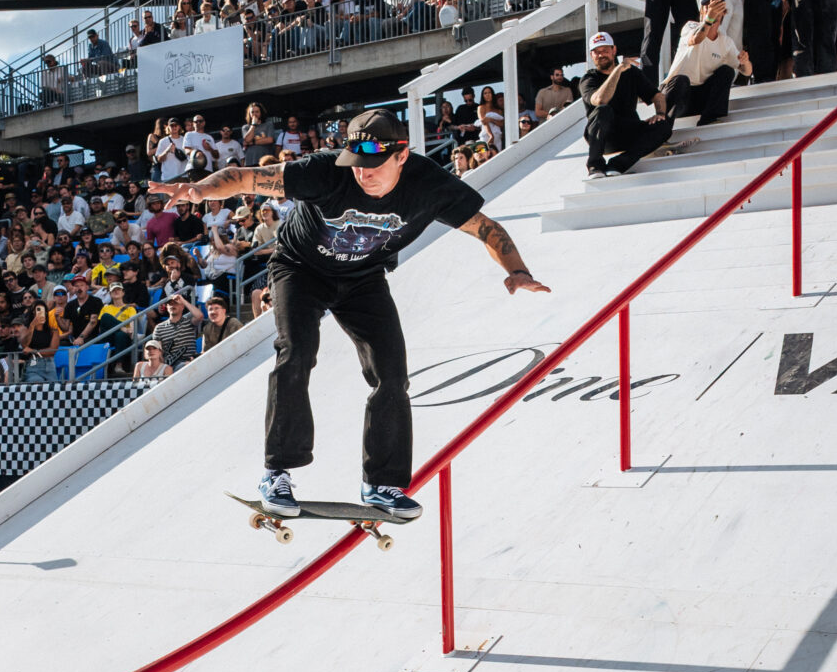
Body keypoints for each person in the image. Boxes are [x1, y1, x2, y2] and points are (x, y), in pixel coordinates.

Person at [152, 107, 548, 523]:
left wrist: (517, 272)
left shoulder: (430, 185)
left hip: (364, 278)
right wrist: (199, 190)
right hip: (300, 269)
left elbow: (485, 228)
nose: (363, 175)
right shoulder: (325, 171)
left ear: (402, 156)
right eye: (357, 166)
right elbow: (246, 177)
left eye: (375, 167)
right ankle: (277, 473)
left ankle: (382, 482)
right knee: (296, 352)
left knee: (391, 373)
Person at [580, 28, 675, 176]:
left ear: (614, 50)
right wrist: (617, 70)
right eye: (596, 52)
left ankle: (617, 165)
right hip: (604, 137)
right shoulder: (588, 79)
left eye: (605, 50)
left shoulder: (632, 73)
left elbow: (657, 95)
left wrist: (660, 113)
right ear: (591, 55)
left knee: (664, 126)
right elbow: (600, 100)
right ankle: (595, 166)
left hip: (629, 131)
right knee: (603, 110)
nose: (601, 55)